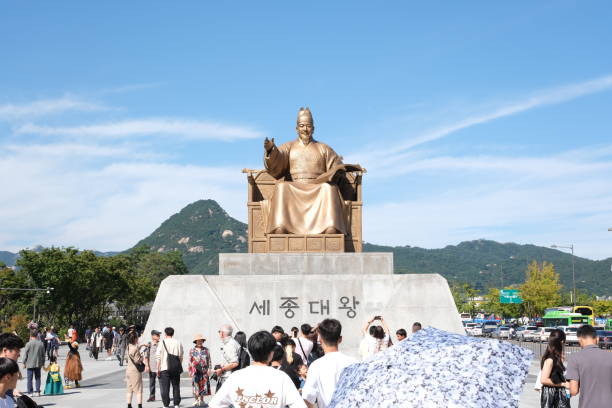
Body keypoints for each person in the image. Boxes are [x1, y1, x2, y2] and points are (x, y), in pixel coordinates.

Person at [209, 331, 306, 408]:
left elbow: (214, 405)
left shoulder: (235, 377)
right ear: (272, 353)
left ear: (250, 351)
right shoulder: (282, 378)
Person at [302, 319, 357, 408]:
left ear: (320, 339)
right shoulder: (354, 363)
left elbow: (307, 398)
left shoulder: (316, 366)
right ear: (340, 339)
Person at [566, 324, 612, 408]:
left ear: (579, 339)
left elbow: (574, 390)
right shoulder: (610, 356)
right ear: (597, 338)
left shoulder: (574, 358)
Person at [539, 329, 569, 408]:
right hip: (551, 395)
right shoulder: (550, 360)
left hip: (557, 393)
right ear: (562, 342)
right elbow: (543, 380)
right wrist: (563, 384)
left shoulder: (557, 358)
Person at [156, 327, 184, 408]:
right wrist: (179, 365)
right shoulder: (178, 342)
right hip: (175, 368)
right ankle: (176, 404)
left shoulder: (162, 342)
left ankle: (166, 405)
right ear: (173, 333)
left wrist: (158, 368)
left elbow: (158, 356)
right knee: (176, 386)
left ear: (165, 334)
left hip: (164, 368)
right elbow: (181, 355)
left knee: (165, 387)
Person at [214, 325, 240, 392]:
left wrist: (221, 370)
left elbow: (234, 363)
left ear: (222, 333)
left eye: (219, 331)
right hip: (226, 377)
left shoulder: (230, 344)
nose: (219, 333)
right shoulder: (229, 343)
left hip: (227, 378)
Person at [188, 334, 211, 407]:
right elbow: (189, 360)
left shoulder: (206, 350)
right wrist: (189, 370)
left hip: (204, 370)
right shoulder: (192, 350)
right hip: (195, 370)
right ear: (196, 341)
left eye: (201, 340)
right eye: (198, 341)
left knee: (203, 385)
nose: (200, 342)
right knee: (195, 385)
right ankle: (196, 400)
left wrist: (209, 368)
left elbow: (209, 360)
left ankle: (202, 400)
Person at [0, 333, 25, 400]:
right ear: (5, 351)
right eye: (17, 350)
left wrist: (13, 390)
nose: (19, 355)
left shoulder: (9, 367)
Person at [22, 330, 45, 397]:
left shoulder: (28, 344)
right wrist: (43, 363)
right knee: (38, 378)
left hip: (29, 363)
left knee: (29, 379)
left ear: (31, 336)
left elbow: (25, 354)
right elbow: (43, 355)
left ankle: (30, 392)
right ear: (37, 335)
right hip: (38, 363)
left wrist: (23, 362)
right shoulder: (41, 343)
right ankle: (38, 392)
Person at [125, 332, 144, 408]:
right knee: (138, 389)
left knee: (129, 389)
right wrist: (141, 356)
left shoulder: (128, 346)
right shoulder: (135, 348)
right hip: (135, 371)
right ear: (135, 339)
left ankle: (129, 405)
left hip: (128, 370)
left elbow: (128, 358)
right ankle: (140, 406)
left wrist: (140, 346)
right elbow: (137, 360)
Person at [146, 330, 161, 402]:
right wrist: (147, 366)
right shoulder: (149, 344)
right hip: (151, 367)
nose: (159, 336)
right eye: (157, 335)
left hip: (160, 367)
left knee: (162, 383)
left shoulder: (161, 344)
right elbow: (146, 356)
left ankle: (164, 396)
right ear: (153, 336)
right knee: (152, 383)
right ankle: (152, 396)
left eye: (159, 335)